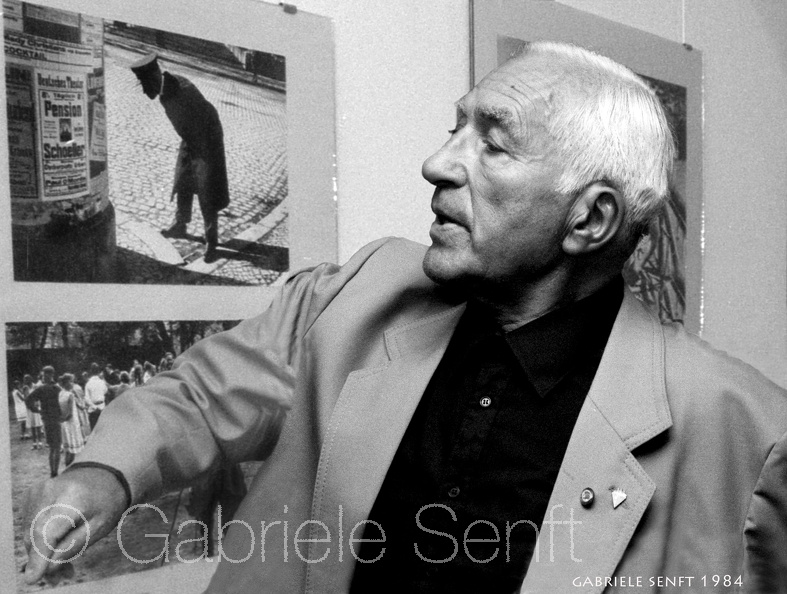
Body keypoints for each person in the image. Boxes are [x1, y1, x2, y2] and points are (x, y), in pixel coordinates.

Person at [24, 42, 787, 592]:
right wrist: (104, 473)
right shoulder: (359, 290)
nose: (438, 163)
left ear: (589, 219)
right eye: (456, 129)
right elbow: (197, 396)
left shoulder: (744, 435)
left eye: (492, 145)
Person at [130, 53, 230, 263]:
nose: (145, 91)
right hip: (191, 136)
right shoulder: (166, 89)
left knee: (206, 187)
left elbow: (203, 122)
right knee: (183, 179)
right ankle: (180, 225)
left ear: (154, 78)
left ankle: (212, 241)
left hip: (208, 139)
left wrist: (201, 157)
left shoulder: (181, 90)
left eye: (145, 85)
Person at [26, 366, 63, 478]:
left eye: (44, 375)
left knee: (52, 447)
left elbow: (28, 400)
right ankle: (55, 471)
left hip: (47, 420)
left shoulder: (41, 389)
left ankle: (53, 472)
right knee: (57, 446)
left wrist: (37, 410)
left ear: (46, 375)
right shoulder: (57, 388)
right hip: (56, 419)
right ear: (52, 374)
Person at [58, 374, 86, 468]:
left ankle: (68, 467)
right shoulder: (70, 395)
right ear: (66, 383)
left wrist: (61, 420)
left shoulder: (61, 393)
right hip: (72, 423)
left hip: (65, 424)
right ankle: (70, 468)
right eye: (71, 381)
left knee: (68, 450)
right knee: (72, 450)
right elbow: (71, 413)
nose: (72, 384)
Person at [83, 363, 107, 430]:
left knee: (95, 431)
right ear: (98, 371)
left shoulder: (88, 384)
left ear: (90, 371)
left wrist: (94, 407)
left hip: (93, 409)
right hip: (102, 407)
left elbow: (87, 399)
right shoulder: (102, 382)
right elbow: (105, 391)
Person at [22, 374, 43, 450]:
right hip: (30, 409)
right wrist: (29, 405)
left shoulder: (35, 386)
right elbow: (26, 398)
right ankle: (34, 443)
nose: (25, 381)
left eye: (27, 379)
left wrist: (37, 404)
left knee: (38, 425)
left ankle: (40, 442)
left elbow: (38, 396)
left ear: (30, 379)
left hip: (36, 407)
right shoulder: (25, 388)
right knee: (32, 426)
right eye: (24, 379)